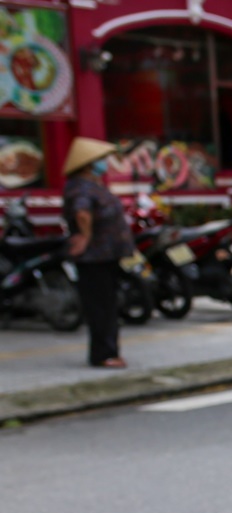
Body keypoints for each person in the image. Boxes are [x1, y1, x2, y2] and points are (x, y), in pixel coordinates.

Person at [62, 137, 132, 369]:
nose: (105, 163)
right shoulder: (81, 187)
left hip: (106, 254)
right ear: (89, 163)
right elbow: (82, 213)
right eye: (100, 160)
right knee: (100, 306)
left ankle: (109, 351)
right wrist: (86, 235)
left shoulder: (94, 184)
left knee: (108, 304)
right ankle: (104, 354)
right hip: (95, 256)